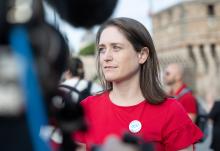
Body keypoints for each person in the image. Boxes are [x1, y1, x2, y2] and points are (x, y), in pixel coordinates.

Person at [73, 17, 203, 151]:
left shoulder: (171, 111)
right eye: (102, 49)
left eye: (116, 48)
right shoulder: (86, 108)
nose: (106, 57)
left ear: (142, 55)